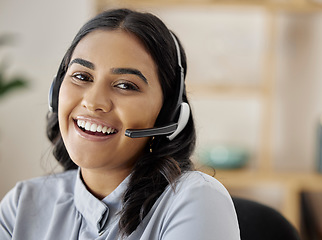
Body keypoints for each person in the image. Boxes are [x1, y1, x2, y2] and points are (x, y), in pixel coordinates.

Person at [0, 8, 240, 240]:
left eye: (126, 85)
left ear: (167, 113)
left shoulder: (197, 199)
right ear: (56, 93)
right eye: (81, 76)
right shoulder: (23, 203)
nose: (94, 102)